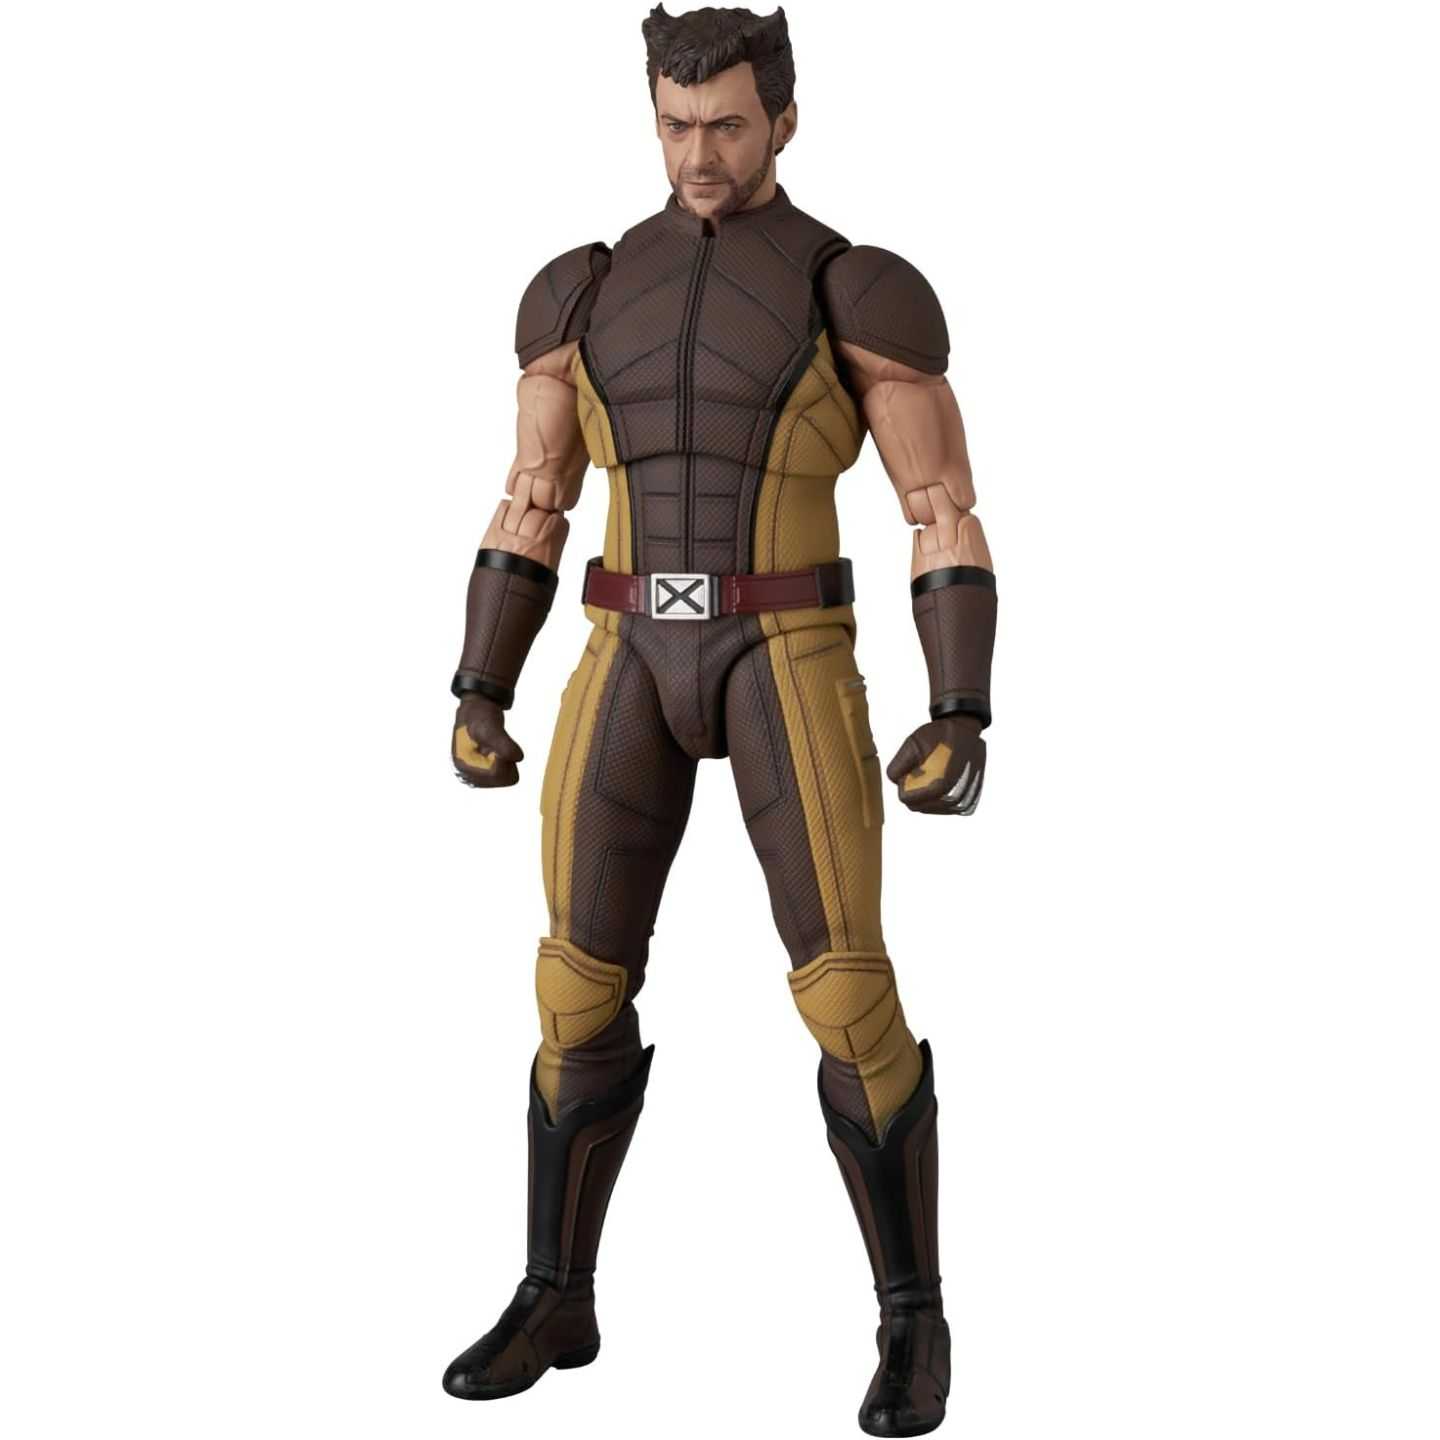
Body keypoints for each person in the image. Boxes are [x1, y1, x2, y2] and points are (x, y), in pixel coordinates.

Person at [441, 7, 997, 1434]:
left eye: (730, 126)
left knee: (845, 992)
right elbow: (532, 496)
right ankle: (555, 1290)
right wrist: (481, 682)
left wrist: (960, 705)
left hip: (783, 646)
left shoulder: (850, 284)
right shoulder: (582, 289)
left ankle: (913, 1318)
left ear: (784, 123)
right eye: (678, 124)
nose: (701, 153)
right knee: (572, 988)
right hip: (625, 645)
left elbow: (940, 506)